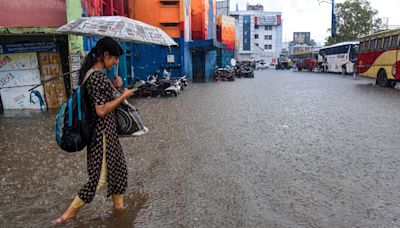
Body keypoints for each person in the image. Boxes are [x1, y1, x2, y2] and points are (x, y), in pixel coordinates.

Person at [54, 37, 137, 224]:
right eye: (115, 58)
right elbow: (101, 110)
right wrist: (123, 94)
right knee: (97, 179)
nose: (116, 62)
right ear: (105, 55)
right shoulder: (97, 76)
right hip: (103, 135)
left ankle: (119, 208)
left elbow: (99, 100)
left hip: (108, 133)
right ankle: (69, 214)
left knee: (119, 171)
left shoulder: (94, 74)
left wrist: (115, 86)